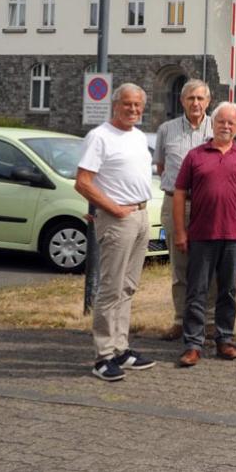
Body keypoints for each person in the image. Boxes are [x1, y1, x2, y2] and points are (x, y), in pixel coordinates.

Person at [74, 83, 156, 381]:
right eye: (127, 104)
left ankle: (121, 349)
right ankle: (103, 355)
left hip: (141, 215)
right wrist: (113, 208)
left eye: (137, 105)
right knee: (110, 288)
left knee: (128, 286)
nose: (133, 109)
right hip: (118, 218)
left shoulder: (138, 137)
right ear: (115, 104)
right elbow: (83, 182)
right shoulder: (99, 137)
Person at [174, 102, 236, 367]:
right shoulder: (195, 155)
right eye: (221, 121)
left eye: (231, 123)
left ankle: (224, 339)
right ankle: (193, 344)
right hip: (201, 234)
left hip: (234, 236)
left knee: (228, 292)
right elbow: (179, 194)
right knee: (196, 291)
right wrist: (180, 231)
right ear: (213, 124)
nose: (226, 126)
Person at [153, 78, 215, 341]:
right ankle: (180, 319)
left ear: (208, 101)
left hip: (208, 206)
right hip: (175, 203)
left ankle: (209, 321)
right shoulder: (166, 129)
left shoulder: (218, 127)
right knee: (180, 266)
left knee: (210, 266)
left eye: (200, 98)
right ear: (182, 101)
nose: (196, 103)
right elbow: (161, 167)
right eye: (191, 98)